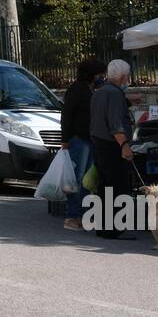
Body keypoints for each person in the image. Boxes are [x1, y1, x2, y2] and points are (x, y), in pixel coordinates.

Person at [89, 58, 136, 239]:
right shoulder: (115, 94)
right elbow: (115, 124)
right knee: (118, 187)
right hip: (112, 146)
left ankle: (104, 228)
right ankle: (115, 228)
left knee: (105, 187)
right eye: (127, 76)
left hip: (99, 143)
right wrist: (124, 145)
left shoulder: (99, 92)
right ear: (123, 76)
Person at [60, 57, 107, 230]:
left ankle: (81, 215)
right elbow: (66, 115)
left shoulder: (92, 90)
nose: (102, 77)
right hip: (78, 140)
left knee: (87, 181)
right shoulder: (77, 89)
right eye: (100, 74)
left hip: (89, 139)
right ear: (92, 74)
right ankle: (73, 216)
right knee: (77, 180)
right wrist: (65, 140)